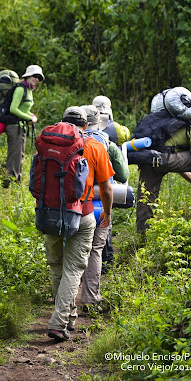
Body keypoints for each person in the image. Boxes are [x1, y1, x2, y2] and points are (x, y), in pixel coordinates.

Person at [45, 106, 114, 342]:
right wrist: (107, 211)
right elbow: (106, 187)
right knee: (73, 269)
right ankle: (59, 321)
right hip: (82, 213)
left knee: (56, 265)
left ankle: (68, 316)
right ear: (86, 126)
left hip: (49, 213)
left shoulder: (48, 143)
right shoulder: (94, 146)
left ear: (62, 121)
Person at [80, 105, 129, 313]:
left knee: (71, 250)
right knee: (95, 250)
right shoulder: (105, 143)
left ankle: (62, 299)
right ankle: (91, 300)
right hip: (98, 206)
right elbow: (123, 176)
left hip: (71, 204)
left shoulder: (70, 140)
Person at [136, 121, 191, 234]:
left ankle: (142, 239)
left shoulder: (179, 133)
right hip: (164, 159)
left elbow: (181, 169)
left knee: (145, 202)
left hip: (149, 160)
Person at [92, 95, 131, 271]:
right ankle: (105, 262)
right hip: (103, 189)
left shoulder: (76, 138)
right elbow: (123, 176)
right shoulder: (113, 135)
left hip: (77, 193)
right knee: (105, 223)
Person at [3, 64, 44, 187]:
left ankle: (16, 182)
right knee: (14, 156)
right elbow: (13, 109)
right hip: (13, 126)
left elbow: (23, 108)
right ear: (28, 76)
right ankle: (9, 184)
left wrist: (29, 115)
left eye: (39, 77)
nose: (36, 79)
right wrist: (30, 118)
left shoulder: (29, 89)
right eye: (34, 76)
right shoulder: (21, 89)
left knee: (20, 155)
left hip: (20, 126)